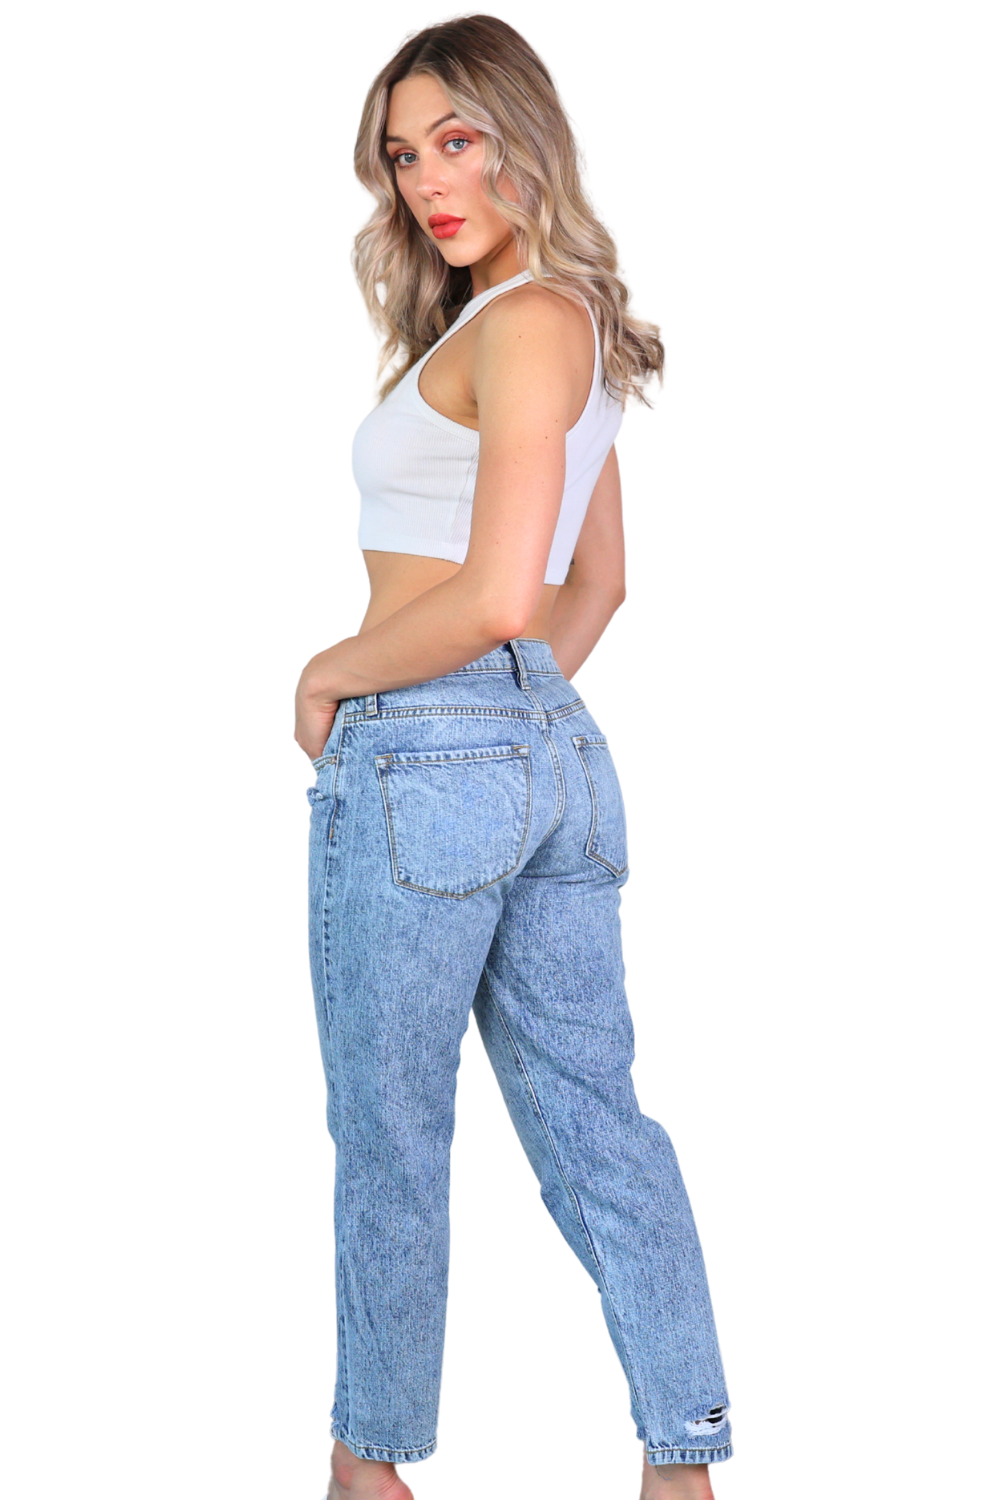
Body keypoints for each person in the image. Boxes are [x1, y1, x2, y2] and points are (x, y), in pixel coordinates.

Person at [294, 17, 732, 1500]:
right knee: (601, 1123)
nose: (427, 179)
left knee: (393, 1133)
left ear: (521, 132)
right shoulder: (575, 328)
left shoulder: (523, 325)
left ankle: (370, 1472)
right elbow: (588, 590)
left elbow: (488, 599)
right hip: (554, 754)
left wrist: (335, 676)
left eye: (455, 140)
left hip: (423, 759)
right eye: (403, 155)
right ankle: (684, 1467)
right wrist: (512, 716)